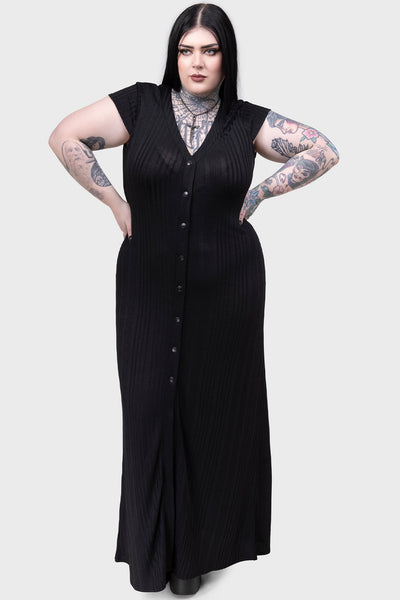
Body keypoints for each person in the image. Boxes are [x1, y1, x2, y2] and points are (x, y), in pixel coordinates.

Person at [48, 2, 339, 595]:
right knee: (150, 410)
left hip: (226, 285)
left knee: (211, 412)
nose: (197, 62)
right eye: (186, 50)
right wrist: (113, 201)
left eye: (210, 50)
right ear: (173, 56)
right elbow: (64, 136)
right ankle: (153, 555)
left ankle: (196, 556)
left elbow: (324, 150)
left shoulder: (246, 121)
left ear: (227, 58)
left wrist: (261, 192)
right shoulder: (140, 106)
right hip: (148, 286)